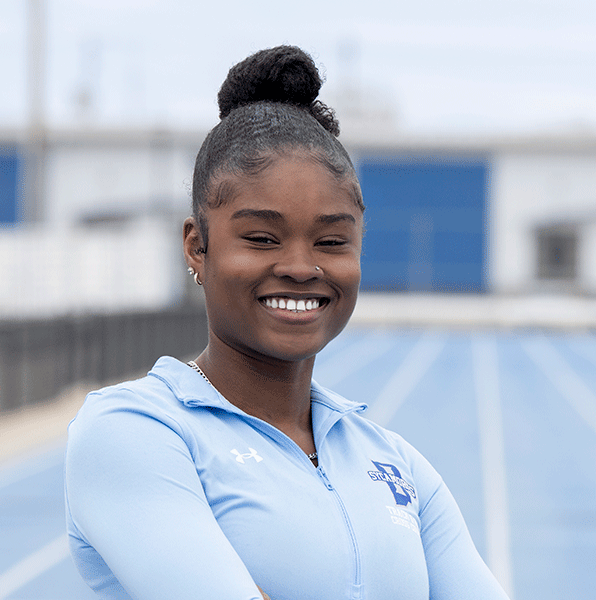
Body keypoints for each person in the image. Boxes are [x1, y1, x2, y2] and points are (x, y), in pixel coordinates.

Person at [65, 45, 510, 600]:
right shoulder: (133, 431)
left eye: (332, 241)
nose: (301, 268)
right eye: (261, 238)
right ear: (197, 247)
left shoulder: (395, 463)